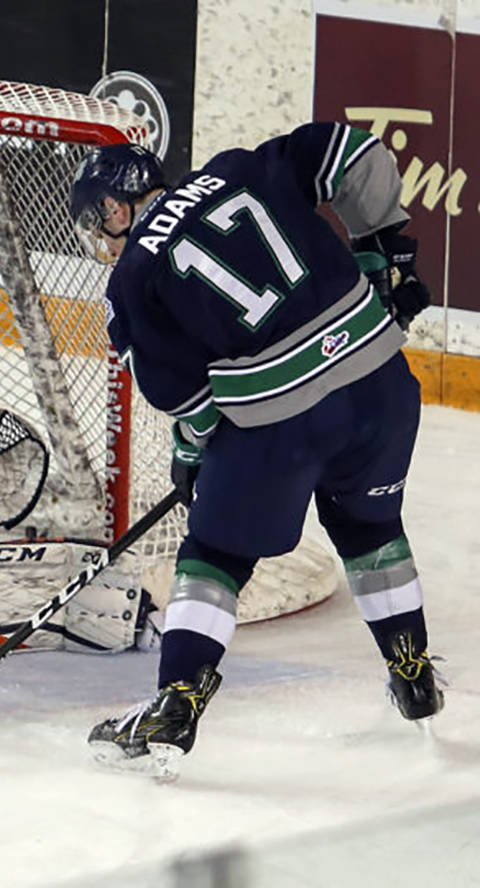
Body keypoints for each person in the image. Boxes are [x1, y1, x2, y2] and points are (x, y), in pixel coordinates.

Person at [68, 123, 441, 777]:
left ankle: (177, 698)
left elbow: (190, 403)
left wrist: (192, 457)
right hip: (383, 388)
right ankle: (410, 667)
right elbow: (354, 152)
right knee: (369, 524)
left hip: (284, 426)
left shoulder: (131, 279)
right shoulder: (241, 166)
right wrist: (388, 253)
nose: (101, 237)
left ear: (116, 208)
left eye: (99, 221)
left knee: (215, 554)